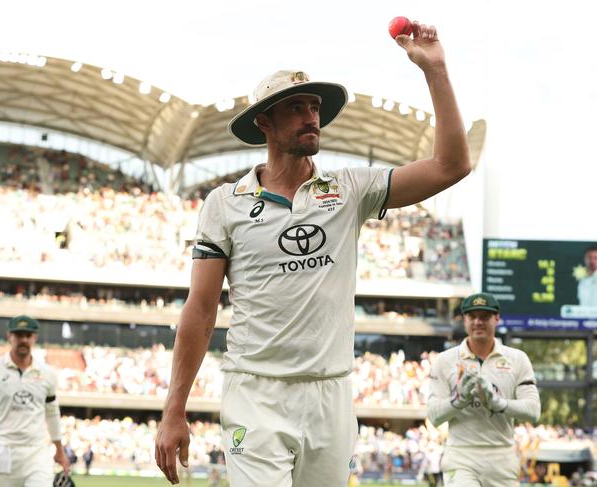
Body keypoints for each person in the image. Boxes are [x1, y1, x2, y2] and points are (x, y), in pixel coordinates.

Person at [155, 21, 471, 487]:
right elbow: (200, 310)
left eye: (315, 107)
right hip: (255, 393)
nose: (311, 117)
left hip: (331, 394)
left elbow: (452, 166)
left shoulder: (349, 190)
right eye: (296, 108)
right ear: (264, 122)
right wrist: (173, 409)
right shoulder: (225, 203)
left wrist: (436, 71)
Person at [427, 293, 541, 486]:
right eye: (472, 317)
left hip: (502, 457)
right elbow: (434, 415)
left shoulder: (517, 359)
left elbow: (533, 412)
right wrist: (458, 400)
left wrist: (498, 403)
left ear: (497, 318)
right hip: (461, 454)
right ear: (464, 320)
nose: (478, 322)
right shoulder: (445, 360)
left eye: (485, 317)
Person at [0, 315, 70, 486]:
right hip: (2, 451)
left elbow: (52, 413)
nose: (23, 340)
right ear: (10, 336)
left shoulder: (47, 374)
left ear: (35, 338)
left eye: (28, 336)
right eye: (19, 335)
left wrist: (59, 449)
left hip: (36, 453)